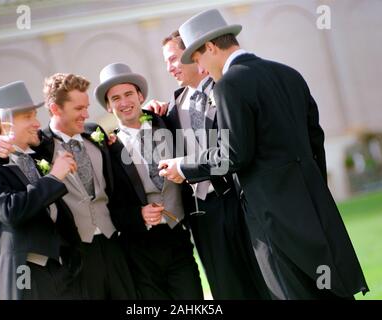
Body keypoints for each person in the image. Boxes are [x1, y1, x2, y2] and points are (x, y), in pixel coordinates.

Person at [159, 9, 369, 299]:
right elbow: (314, 139)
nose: (202, 68)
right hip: (313, 204)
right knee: (328, 288)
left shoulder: (228, 86)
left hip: (269, 214)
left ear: (209, 47)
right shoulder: (288, 73)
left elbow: (233, 155)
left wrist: (184, 169)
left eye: (197, 59)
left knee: (290, 292)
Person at [161, 31, 269, 299]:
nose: (169, 67)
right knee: (227, 289)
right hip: (203, 214)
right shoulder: (171, 110)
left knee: (264, 281)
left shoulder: (226, 91)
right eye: (166, 62)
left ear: (193, 56)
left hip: (239, 201)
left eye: (173, 59)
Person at [93, 63, 203, 299]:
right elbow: (109, 205)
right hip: (139, 248)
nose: (124, 102)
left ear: (141, 95)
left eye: (129, 94)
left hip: (179, 238)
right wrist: (137, 215)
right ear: (109, 106)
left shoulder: (167, 123)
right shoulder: (108, 149)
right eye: (115, 98)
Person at [0, 81, 82, 299]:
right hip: (24, 272)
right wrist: (54, 177)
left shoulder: (39, 152)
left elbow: (63, 128)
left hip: (61, 267)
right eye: (28, 117)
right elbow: (11, 211)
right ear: (5, 124)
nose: (37, 123)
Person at [34, 72, 138, 299]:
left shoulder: (95, 133)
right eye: (79, 109)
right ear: (55, 109)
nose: (86, 114)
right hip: (75, 251)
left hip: (113, 243)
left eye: (87, 107)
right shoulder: (39, 147)